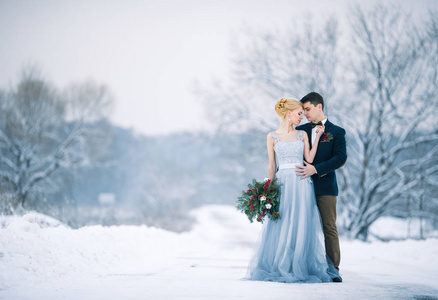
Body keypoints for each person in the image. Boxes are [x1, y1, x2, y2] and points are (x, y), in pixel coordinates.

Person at [246, 97, 339, 283]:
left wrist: (319, 136)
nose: (301, 117)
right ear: (288, 114)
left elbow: (310, 160)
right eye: (298, 114)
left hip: (302, 183)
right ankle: (282, 264)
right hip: (282, 183)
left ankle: (300, 264)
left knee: (301, 222)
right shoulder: (272, 136)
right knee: (282, 222)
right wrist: (267, 191)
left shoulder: (301, 135)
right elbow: (272, 165)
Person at [296, 92, 347, 282]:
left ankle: (333, 269)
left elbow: (340, 159)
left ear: (320, 107)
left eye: (307, 109)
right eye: (303, 111)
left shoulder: (337, 131)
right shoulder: (299, 130)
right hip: (300, 187)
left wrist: (315, 169)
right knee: (300, 227)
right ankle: (299, 266)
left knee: (329, 228)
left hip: (326, 187)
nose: (305, 114)